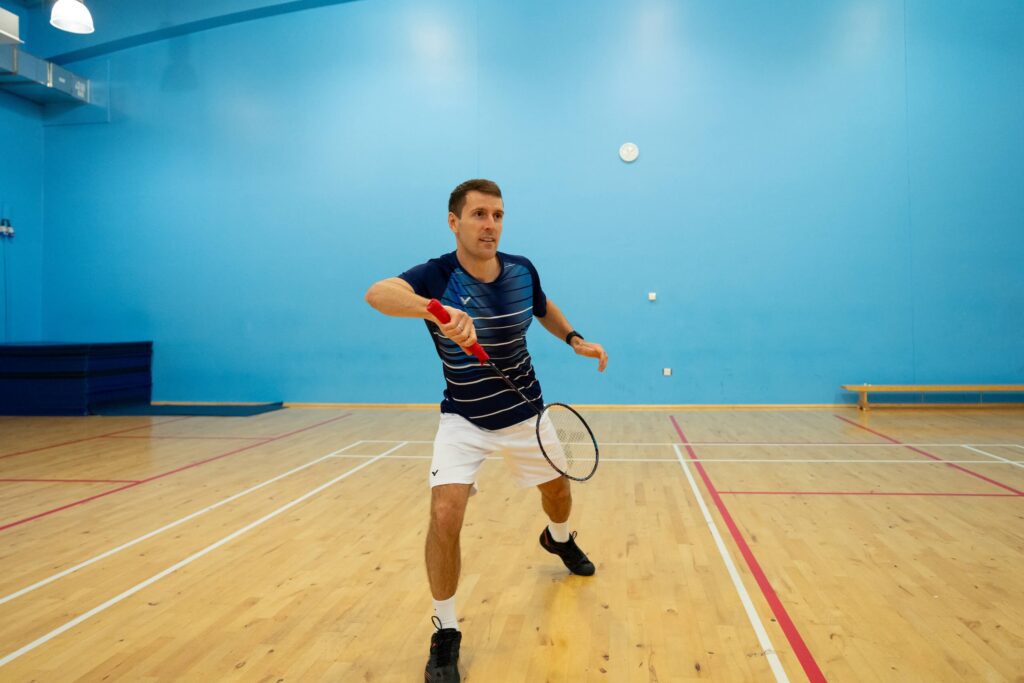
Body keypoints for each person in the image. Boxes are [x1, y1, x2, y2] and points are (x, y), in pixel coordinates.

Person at [364, 179, 608, 683]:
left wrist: (574, 338)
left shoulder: (521, 269)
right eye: (478, 214)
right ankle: (445, 629)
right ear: (454, 222)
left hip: (526, 413)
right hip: (464, 419)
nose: (490, 225)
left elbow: (542, 307)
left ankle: (558, 539)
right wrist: (436, 310)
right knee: (444, 514)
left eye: (497, 215)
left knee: (558, 496)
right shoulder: (436, 276)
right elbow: (378, 293)